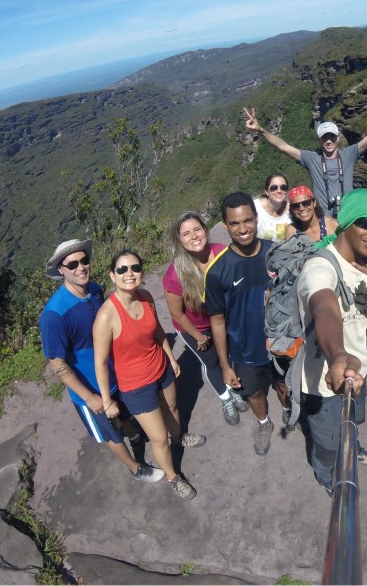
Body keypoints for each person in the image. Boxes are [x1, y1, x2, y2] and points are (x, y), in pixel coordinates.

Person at [295, 189, 367, 494]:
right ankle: (326, 476)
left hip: (358, 373)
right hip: (325, 380)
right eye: (366, 222)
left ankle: (352, 448)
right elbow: (324, 307)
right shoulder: (319, 267)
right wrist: (336, 355)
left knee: (353, 422)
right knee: (327, 442)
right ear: (345, 222)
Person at [39, 238, 164, 485]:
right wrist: (88, 397)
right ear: (61, 270)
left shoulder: (95, 290)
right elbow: (57, 362)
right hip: (90, 388)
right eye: (72, 264)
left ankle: (136, 437)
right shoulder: (54, 315)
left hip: (114, 375)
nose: (80, 267)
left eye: (84, 260)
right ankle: (135, 467)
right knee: (111, 433)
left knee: (123, 417)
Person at [93, 249, 205, 501]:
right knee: (157, 438)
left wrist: (170, 356)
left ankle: (180, 436)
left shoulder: (145, 297)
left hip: (160, 368)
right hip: (136, 386)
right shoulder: (106, 316)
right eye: (122, 269)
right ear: (112, 275)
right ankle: (172, 477)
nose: (129, 274)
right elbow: (100, 362)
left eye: (135, 268)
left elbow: (157, 331)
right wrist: (107, 400)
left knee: (173, 408)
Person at [242, 87, 367, 217]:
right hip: (323, 219)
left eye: (332, 137)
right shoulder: (311, 158)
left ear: (338, 139)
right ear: (319, 140)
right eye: (324, 138)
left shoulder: (349, 155)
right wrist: (260, 130)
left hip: (348, 216)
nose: (328, 141)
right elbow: (283, 146)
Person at [204, 192, 277, 456]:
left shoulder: (275, 252)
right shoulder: (218, 270)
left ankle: (292, 412)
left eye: (248, 220)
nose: (243, 229)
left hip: (282, 341)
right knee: (255, 393)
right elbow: (217, 320)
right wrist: (225, 366)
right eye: (234, 224)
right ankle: (263, 422)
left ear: (257, 219)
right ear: (225, 226)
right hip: (245, 349)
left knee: (284, 384)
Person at [163, 211, 251, 426]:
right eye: (185, 233)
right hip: (195, 327)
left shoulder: (223, 254)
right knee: (211, 362)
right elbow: (177, 314)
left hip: (223, 320)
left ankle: (233, 388)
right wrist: (199, 337)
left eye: (197, 229)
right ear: (179, 241)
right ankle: (226, 397)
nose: (193, 236)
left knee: (228, 356)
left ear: (205, 230)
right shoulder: (175, 274)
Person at [253, 173, 293, 242]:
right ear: (266, 191)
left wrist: (317, 246)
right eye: (274, 188)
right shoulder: (254, 207)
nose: (279, 191)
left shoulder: (293, 209)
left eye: (283, 187)